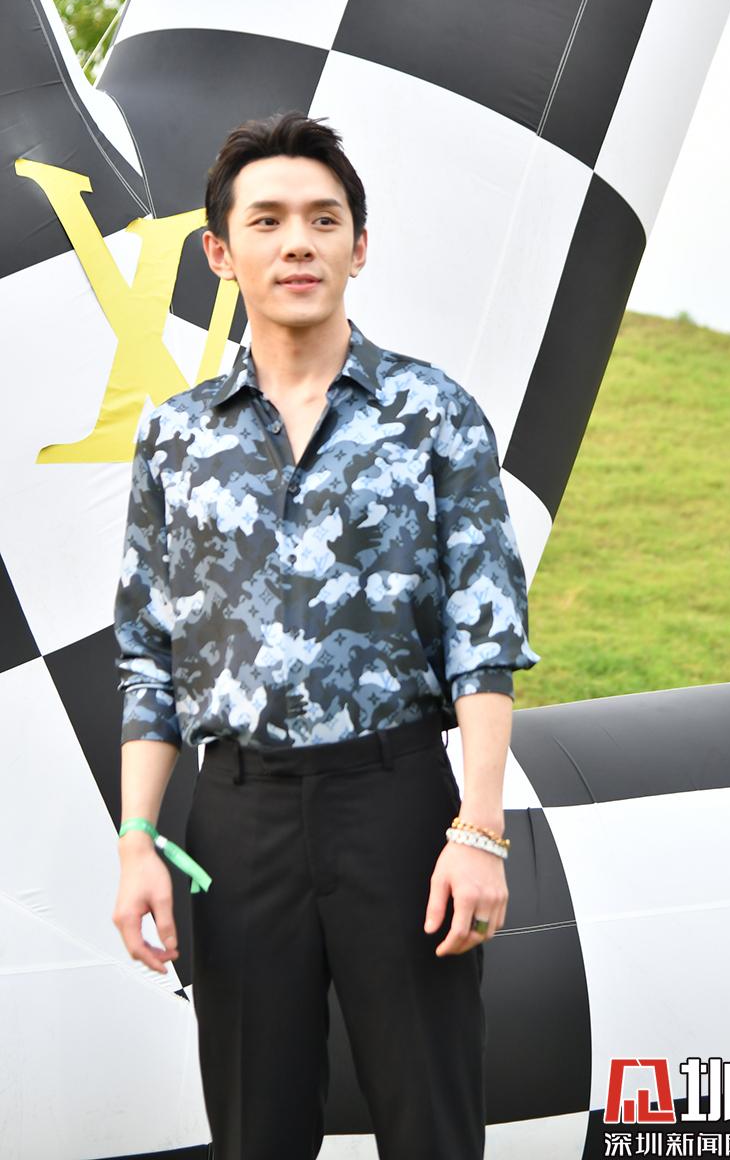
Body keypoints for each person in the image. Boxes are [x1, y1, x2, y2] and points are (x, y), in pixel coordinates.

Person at [111, 110, 541, 1160]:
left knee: (431, 1122)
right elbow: (149, 658)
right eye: (266, 221)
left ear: (360, 245)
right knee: (254, 1132)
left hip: (395, 806)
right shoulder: (175, 437)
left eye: (322, 218)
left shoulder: (433, 413)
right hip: (237, 821)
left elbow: (485, 634)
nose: (296, 242)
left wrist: (479, 831)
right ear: (221, 253)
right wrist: (137, 843)